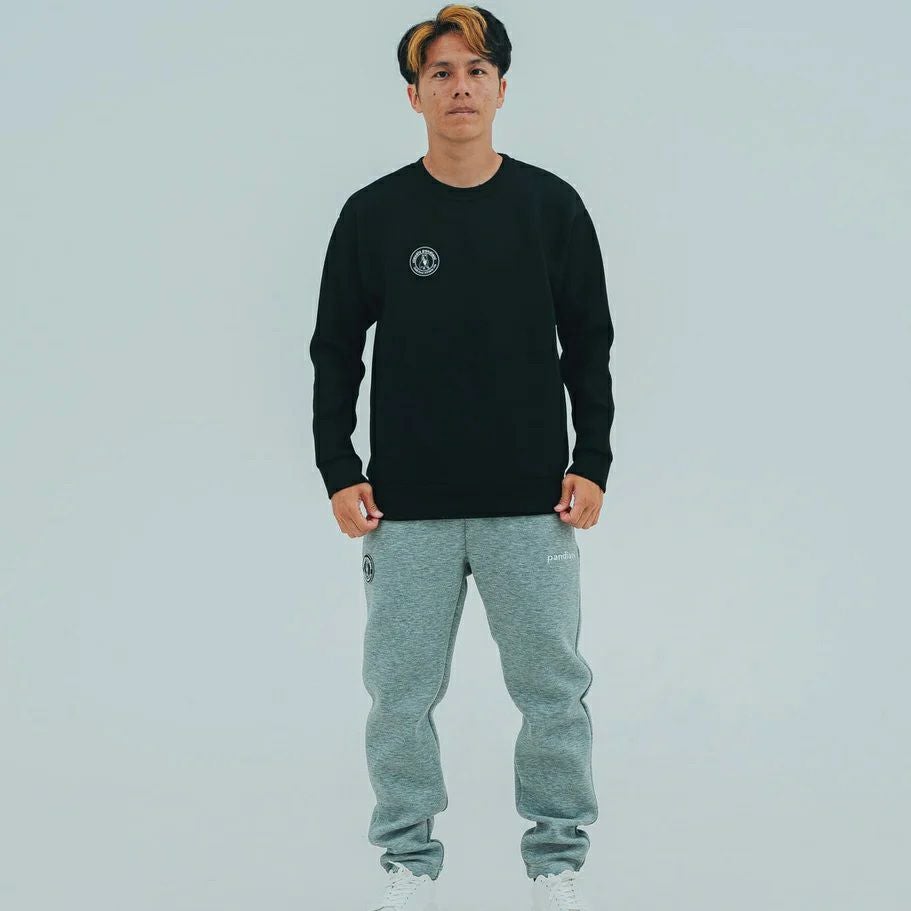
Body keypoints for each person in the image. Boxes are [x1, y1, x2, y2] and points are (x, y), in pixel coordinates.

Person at [309, 5, 615, 909]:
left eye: (476, 71)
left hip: (533, 501)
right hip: (404, 508)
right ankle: (408, 863)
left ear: (501, 89)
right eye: (439, 73)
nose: (460, 87)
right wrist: (339, 468)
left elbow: (588, 343)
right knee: (398, 695)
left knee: (552, 689)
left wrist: (593, 459)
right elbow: (335, 350)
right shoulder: (374, 214)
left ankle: (555, 861)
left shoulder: (550, 207)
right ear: (414, 96)